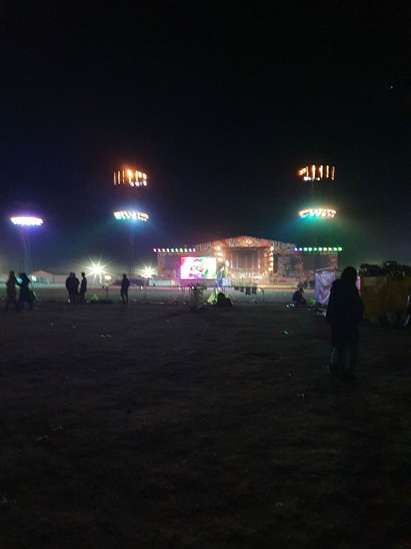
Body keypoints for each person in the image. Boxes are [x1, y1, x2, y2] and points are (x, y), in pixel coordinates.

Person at [326, 266, 364, 379]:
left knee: (337, 345)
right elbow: (357, 305)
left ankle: (334, 366)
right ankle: (347, 371)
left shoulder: (336, 286)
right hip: (348, 322)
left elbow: (331, 305)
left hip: (336, 322)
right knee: (350, 347)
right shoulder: (351, 288)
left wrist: (330, 318)